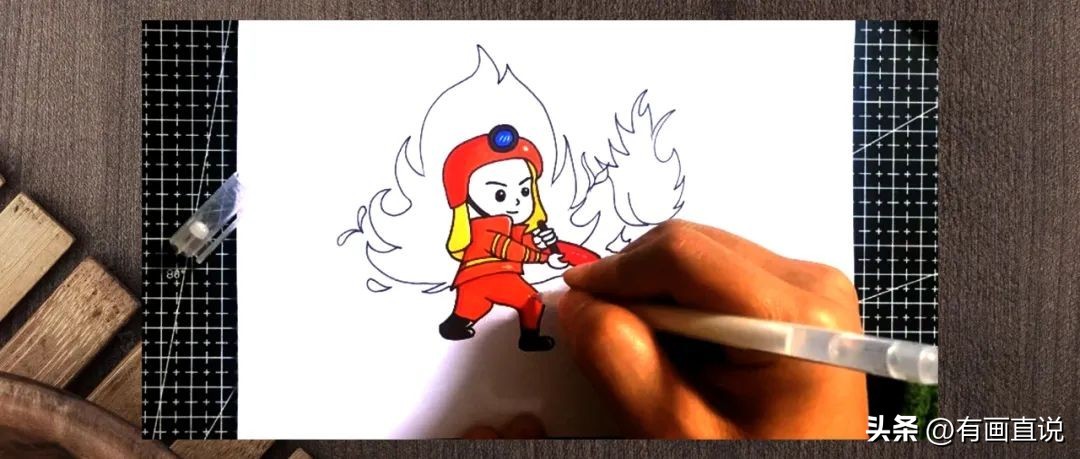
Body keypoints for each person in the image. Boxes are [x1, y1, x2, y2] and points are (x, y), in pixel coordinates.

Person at [462, 220, 869, 439]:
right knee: (480, 302)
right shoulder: (481, 230)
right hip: (488, 278)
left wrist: (543, 250)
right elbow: (495, 247)